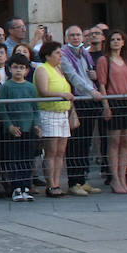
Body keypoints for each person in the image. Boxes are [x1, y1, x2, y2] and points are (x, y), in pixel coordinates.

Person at [58, 26, 104, 196]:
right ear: (66, 38)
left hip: (90, 100)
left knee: (86, 142)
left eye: (78, 35)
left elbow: (88, 73)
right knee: (76, 143)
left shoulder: (84, 53)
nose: (76, 38)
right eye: (72, 35)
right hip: (78, 100)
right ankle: (73, 181)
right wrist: (91, 91)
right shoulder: (64, 54)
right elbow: (73, 77)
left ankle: (83, 179)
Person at [94, 30, 127, 194]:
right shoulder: (104, 60)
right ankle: (115, 179)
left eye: (119, 39)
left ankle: (123, 177)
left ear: (124, 42)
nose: (116, 42)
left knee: (126, 142)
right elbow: (102, 84)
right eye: (113, 39)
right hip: (114, 100)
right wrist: (106, 106)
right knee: (114, 141)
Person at [34, 42, 74, 198]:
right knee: (51, 151)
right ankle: (50, 184)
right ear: (48, 55)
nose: (60, 55)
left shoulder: (59, 69)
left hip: (62, 112)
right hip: (48, 112)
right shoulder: (42, 69)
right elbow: (44, 91)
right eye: (57, 53)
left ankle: (57, 182)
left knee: (60, 151)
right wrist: (61, 95)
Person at [0, 54, 39, 201]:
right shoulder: (7, 86)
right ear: (9, 69)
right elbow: (2, 108)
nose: (18, 71)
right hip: (13, 130)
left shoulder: (30, 87)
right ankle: (16, 187)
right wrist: (9, 126)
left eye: (22, 68)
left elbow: (35, 108)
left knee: (27, 158)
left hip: (28, 128)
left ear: (27, 70)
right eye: (15, 67)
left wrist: (37, 125)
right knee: (14, 158)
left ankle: (26, 186)